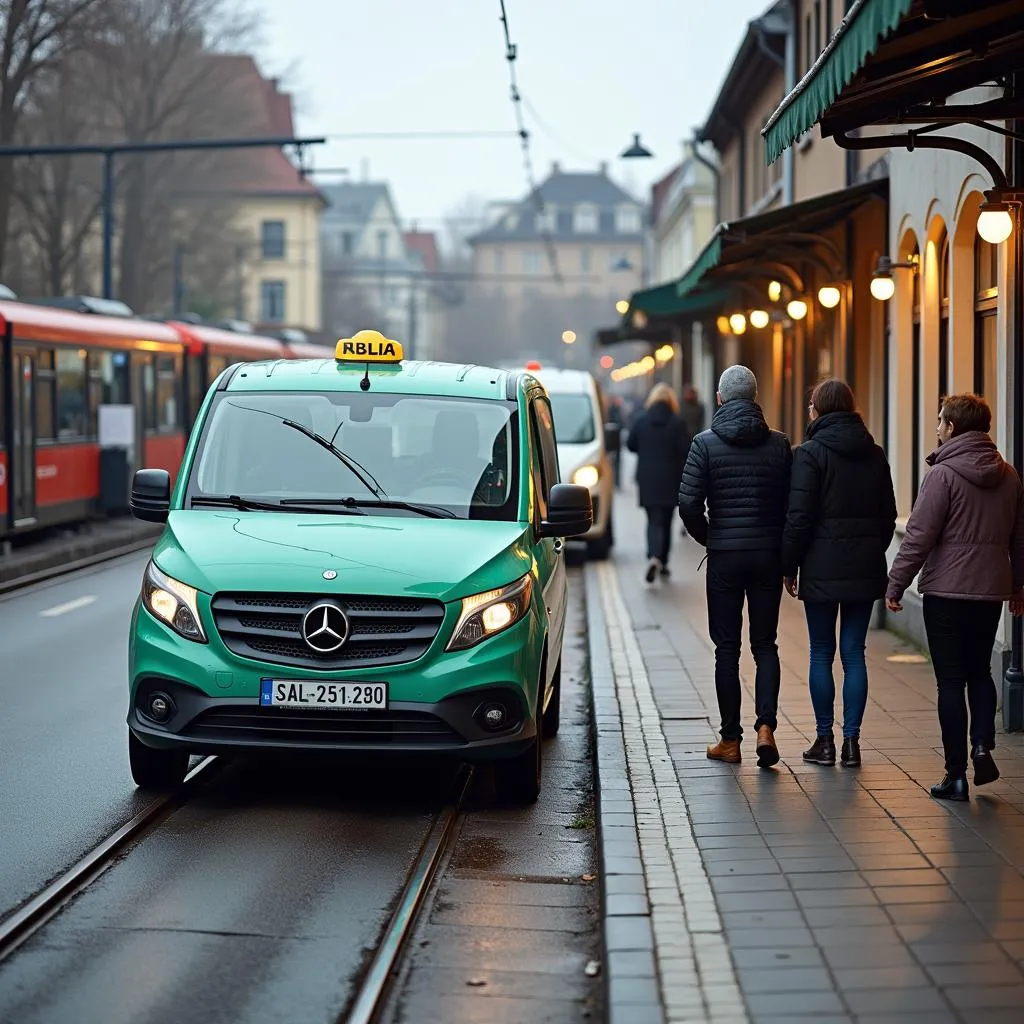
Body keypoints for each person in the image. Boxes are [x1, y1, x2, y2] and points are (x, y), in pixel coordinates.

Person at [887, 394, 1024, 802]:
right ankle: (982, 745)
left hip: (946, 592)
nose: (936, 428)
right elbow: (1019, 540)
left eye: (940, 421)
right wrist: (1017, 586)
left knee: (950, 681)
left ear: (952, 427)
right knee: (980, 671)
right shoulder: (1011, 476)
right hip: (990, 591)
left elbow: (919, 536)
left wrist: (896, 583)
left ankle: (956, 775)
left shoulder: (942, 475)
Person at [678, 365, 792, 768]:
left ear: (721, 397)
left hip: (725, 557)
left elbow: (689, 503)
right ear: (755, 397)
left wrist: (711, 536)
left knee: (727, 649)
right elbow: (790, 506)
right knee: (766, 645)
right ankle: (766, 728)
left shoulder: (704, 444)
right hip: (767, 556)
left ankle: (730, 740)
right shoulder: (779, 445)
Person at [781, 379, 897, 770]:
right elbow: (887, 517)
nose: (808, 410)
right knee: (854, 653)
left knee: (820, 652)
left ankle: (825, 740)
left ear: (821, 409)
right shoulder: (874, 453)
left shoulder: (809, 454)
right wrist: (869, 550)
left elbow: (798, 517)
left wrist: (789, 565)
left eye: (811, 404)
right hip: (863, 567)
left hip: (820, 566)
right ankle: (852, 743)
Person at [627, 382, 691, 582]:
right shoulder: (677, 423)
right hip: (671, 478)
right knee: (666, 519)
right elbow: (686, 450)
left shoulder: (641, 421)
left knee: (653, 520)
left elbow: (630, 444)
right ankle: (662, 561)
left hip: (647, 477)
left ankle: (653, 556)